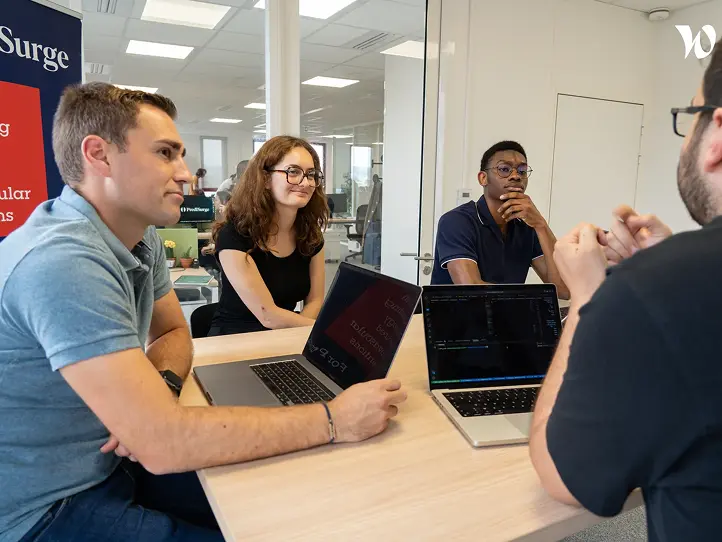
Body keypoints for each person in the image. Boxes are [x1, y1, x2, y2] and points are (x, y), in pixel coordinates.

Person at [0, 83, 407, 542]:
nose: (186, 175)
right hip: (48, 505)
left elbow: (174, 330)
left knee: (293, 506)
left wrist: (161, 389)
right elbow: (163, 444)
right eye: (164, 153)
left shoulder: (138, 234)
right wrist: (334, 420)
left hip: (118, 460)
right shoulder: (62, 260)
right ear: (99, 155)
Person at [529, 41, 722, 542]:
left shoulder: (657, 291)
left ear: (718, 131)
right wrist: (671, 264)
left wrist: (590, 298)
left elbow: (561, 475)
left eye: (690, 118)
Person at [207, 136, 328, 336]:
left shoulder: (310, 236)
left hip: (285, 336)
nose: (305, 182)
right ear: (265, 180)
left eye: (311, 174)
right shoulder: (234, 235)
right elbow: (267, 315)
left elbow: (315, 300)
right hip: (235, 339)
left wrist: (304, 337)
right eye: (293, 172)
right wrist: (322, 332)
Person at [430, 140, 569, 298]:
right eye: (504, 169)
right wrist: (531, 299)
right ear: (483, 178)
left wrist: (541, 225)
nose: (516, 176)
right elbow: (472, 290)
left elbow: (563, 289)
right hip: (455, 319)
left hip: (504, 318)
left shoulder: (527, 226)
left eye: (522, 171)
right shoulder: (456, 221)